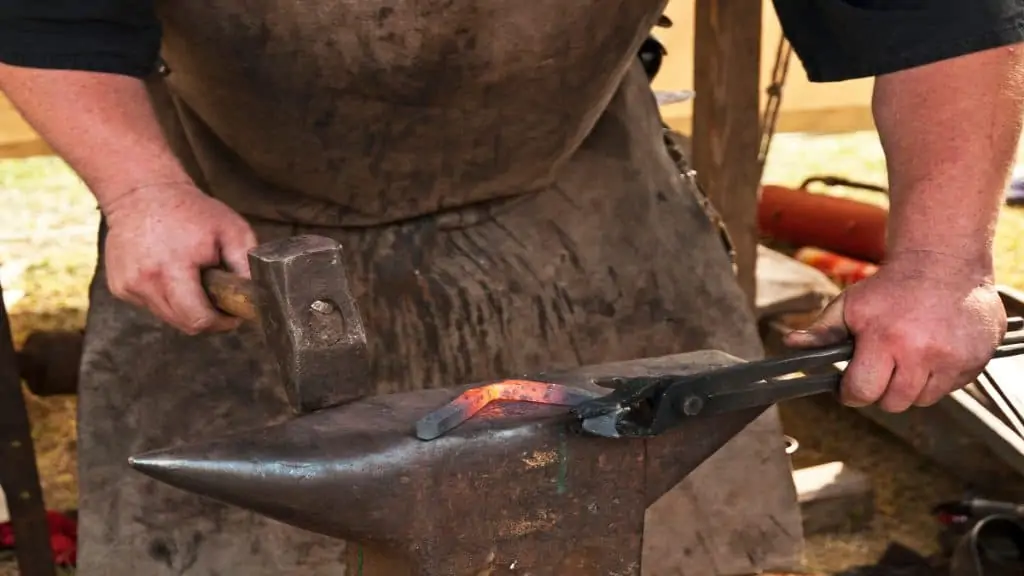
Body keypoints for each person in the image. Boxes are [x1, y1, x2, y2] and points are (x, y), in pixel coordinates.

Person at [0, 0, 1020, 574]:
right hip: (231, 211)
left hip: (584, 187)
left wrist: (941, 261)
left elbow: (938, 14)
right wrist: (139, 189)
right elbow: (48, 17)